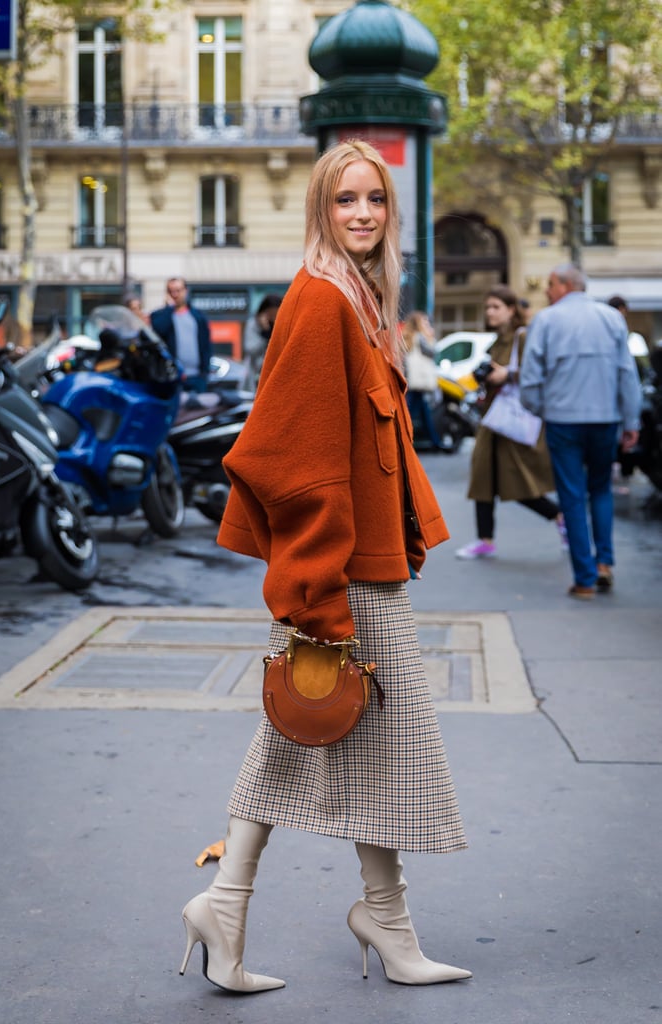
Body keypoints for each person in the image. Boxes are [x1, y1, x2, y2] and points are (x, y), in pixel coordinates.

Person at [178, 140, 471, 993]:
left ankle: (265, 910)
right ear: (321, 209)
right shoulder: (319, 300)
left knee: (342, 735)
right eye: (344, 201)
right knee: (326, 731)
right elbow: (294, 461)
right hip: (335, 573)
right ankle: (320, 914)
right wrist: (317, 595)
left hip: (358, 566)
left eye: (374, 200)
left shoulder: (359, 301)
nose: (362, 215)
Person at [520, 264, 642, 598]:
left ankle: (585, 578)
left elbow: (530, 379)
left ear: (564, 285)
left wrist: (539, 410)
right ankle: (604, 563)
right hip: (605, 417)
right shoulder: (611, 318)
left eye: (550, 283)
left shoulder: (546, 320)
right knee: (601, 489)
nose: (546, 290)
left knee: (572, 497)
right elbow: (626, 374)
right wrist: (631, 422)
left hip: (563, 419)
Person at [456, 285, 566, 560]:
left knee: (518, 484)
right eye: (487, 307)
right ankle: (485, 539)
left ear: (511, 309)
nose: (489, 312)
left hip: (513, 420)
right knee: (482, 478)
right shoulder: (497, 340)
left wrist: (509, 374)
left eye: (495, 307)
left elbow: (541, 372)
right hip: (492, 420)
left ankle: (559, 517)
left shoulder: (523, 337)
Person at [401, 311, 451, 451]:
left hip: (414, 381)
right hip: (419, 381)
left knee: (422, 412)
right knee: (410, 413)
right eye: (425, 322)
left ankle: (434, 441)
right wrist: (431, 337)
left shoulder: (408, 337)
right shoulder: (420, 337)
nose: (427, 325)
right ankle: (402, 439)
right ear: (418, 324)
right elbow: (433, 352)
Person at [150, 277, 211, 392]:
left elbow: (206, 346)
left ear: (186, 291)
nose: (175, 294)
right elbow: (159, 330)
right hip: (172, 378)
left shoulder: (198, 317)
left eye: (178, 290)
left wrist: (204, 373)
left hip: (196, 377)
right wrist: (169, 308)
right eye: (171, 291)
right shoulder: (159, 315)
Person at [242, 293, 283, 390]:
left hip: (277, 373)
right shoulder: (254, 325)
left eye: (276, 313)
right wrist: (264, 332)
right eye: (271, 314)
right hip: (257, 373)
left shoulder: (283, 325)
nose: (273, 317)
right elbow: (250, 349)